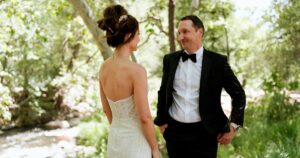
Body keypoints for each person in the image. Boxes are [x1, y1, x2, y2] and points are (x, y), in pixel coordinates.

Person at [154, 15, 246, 158]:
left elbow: (239, 94)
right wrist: (161, 120)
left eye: (185, 32)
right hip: (174, 134)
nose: (181, 37)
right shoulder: (170, 60)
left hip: (205, 134)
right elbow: (163, 91)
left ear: (200, 32)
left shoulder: (217, 62)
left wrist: (232, 127)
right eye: (179, 33)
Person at [98, 5, 159, 158]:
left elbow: (107, 110)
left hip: (115, 142)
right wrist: (155, 149)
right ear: (128, 36)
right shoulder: (136, 71)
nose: (139, 38)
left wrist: (120, 129)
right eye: (138, 34)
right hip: (135, 144)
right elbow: (144, 117)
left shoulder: (103, 68)